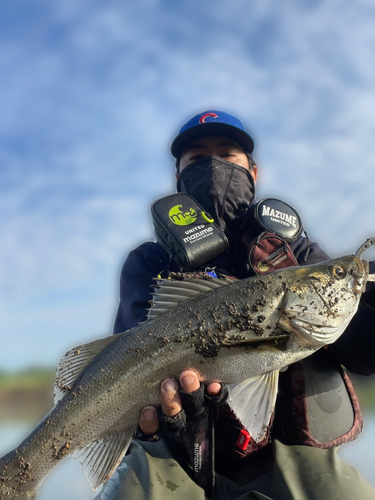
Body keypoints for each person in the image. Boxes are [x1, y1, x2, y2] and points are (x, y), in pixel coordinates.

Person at [96, 110, 375, 500]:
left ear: (254, 172)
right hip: (173, 455)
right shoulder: (150, 262)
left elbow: (365, 354)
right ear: (178, 176)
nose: (213, 165)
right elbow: (123, 359)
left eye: (228, 155)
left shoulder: (300, 253)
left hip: (292, 452)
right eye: (196, 158)